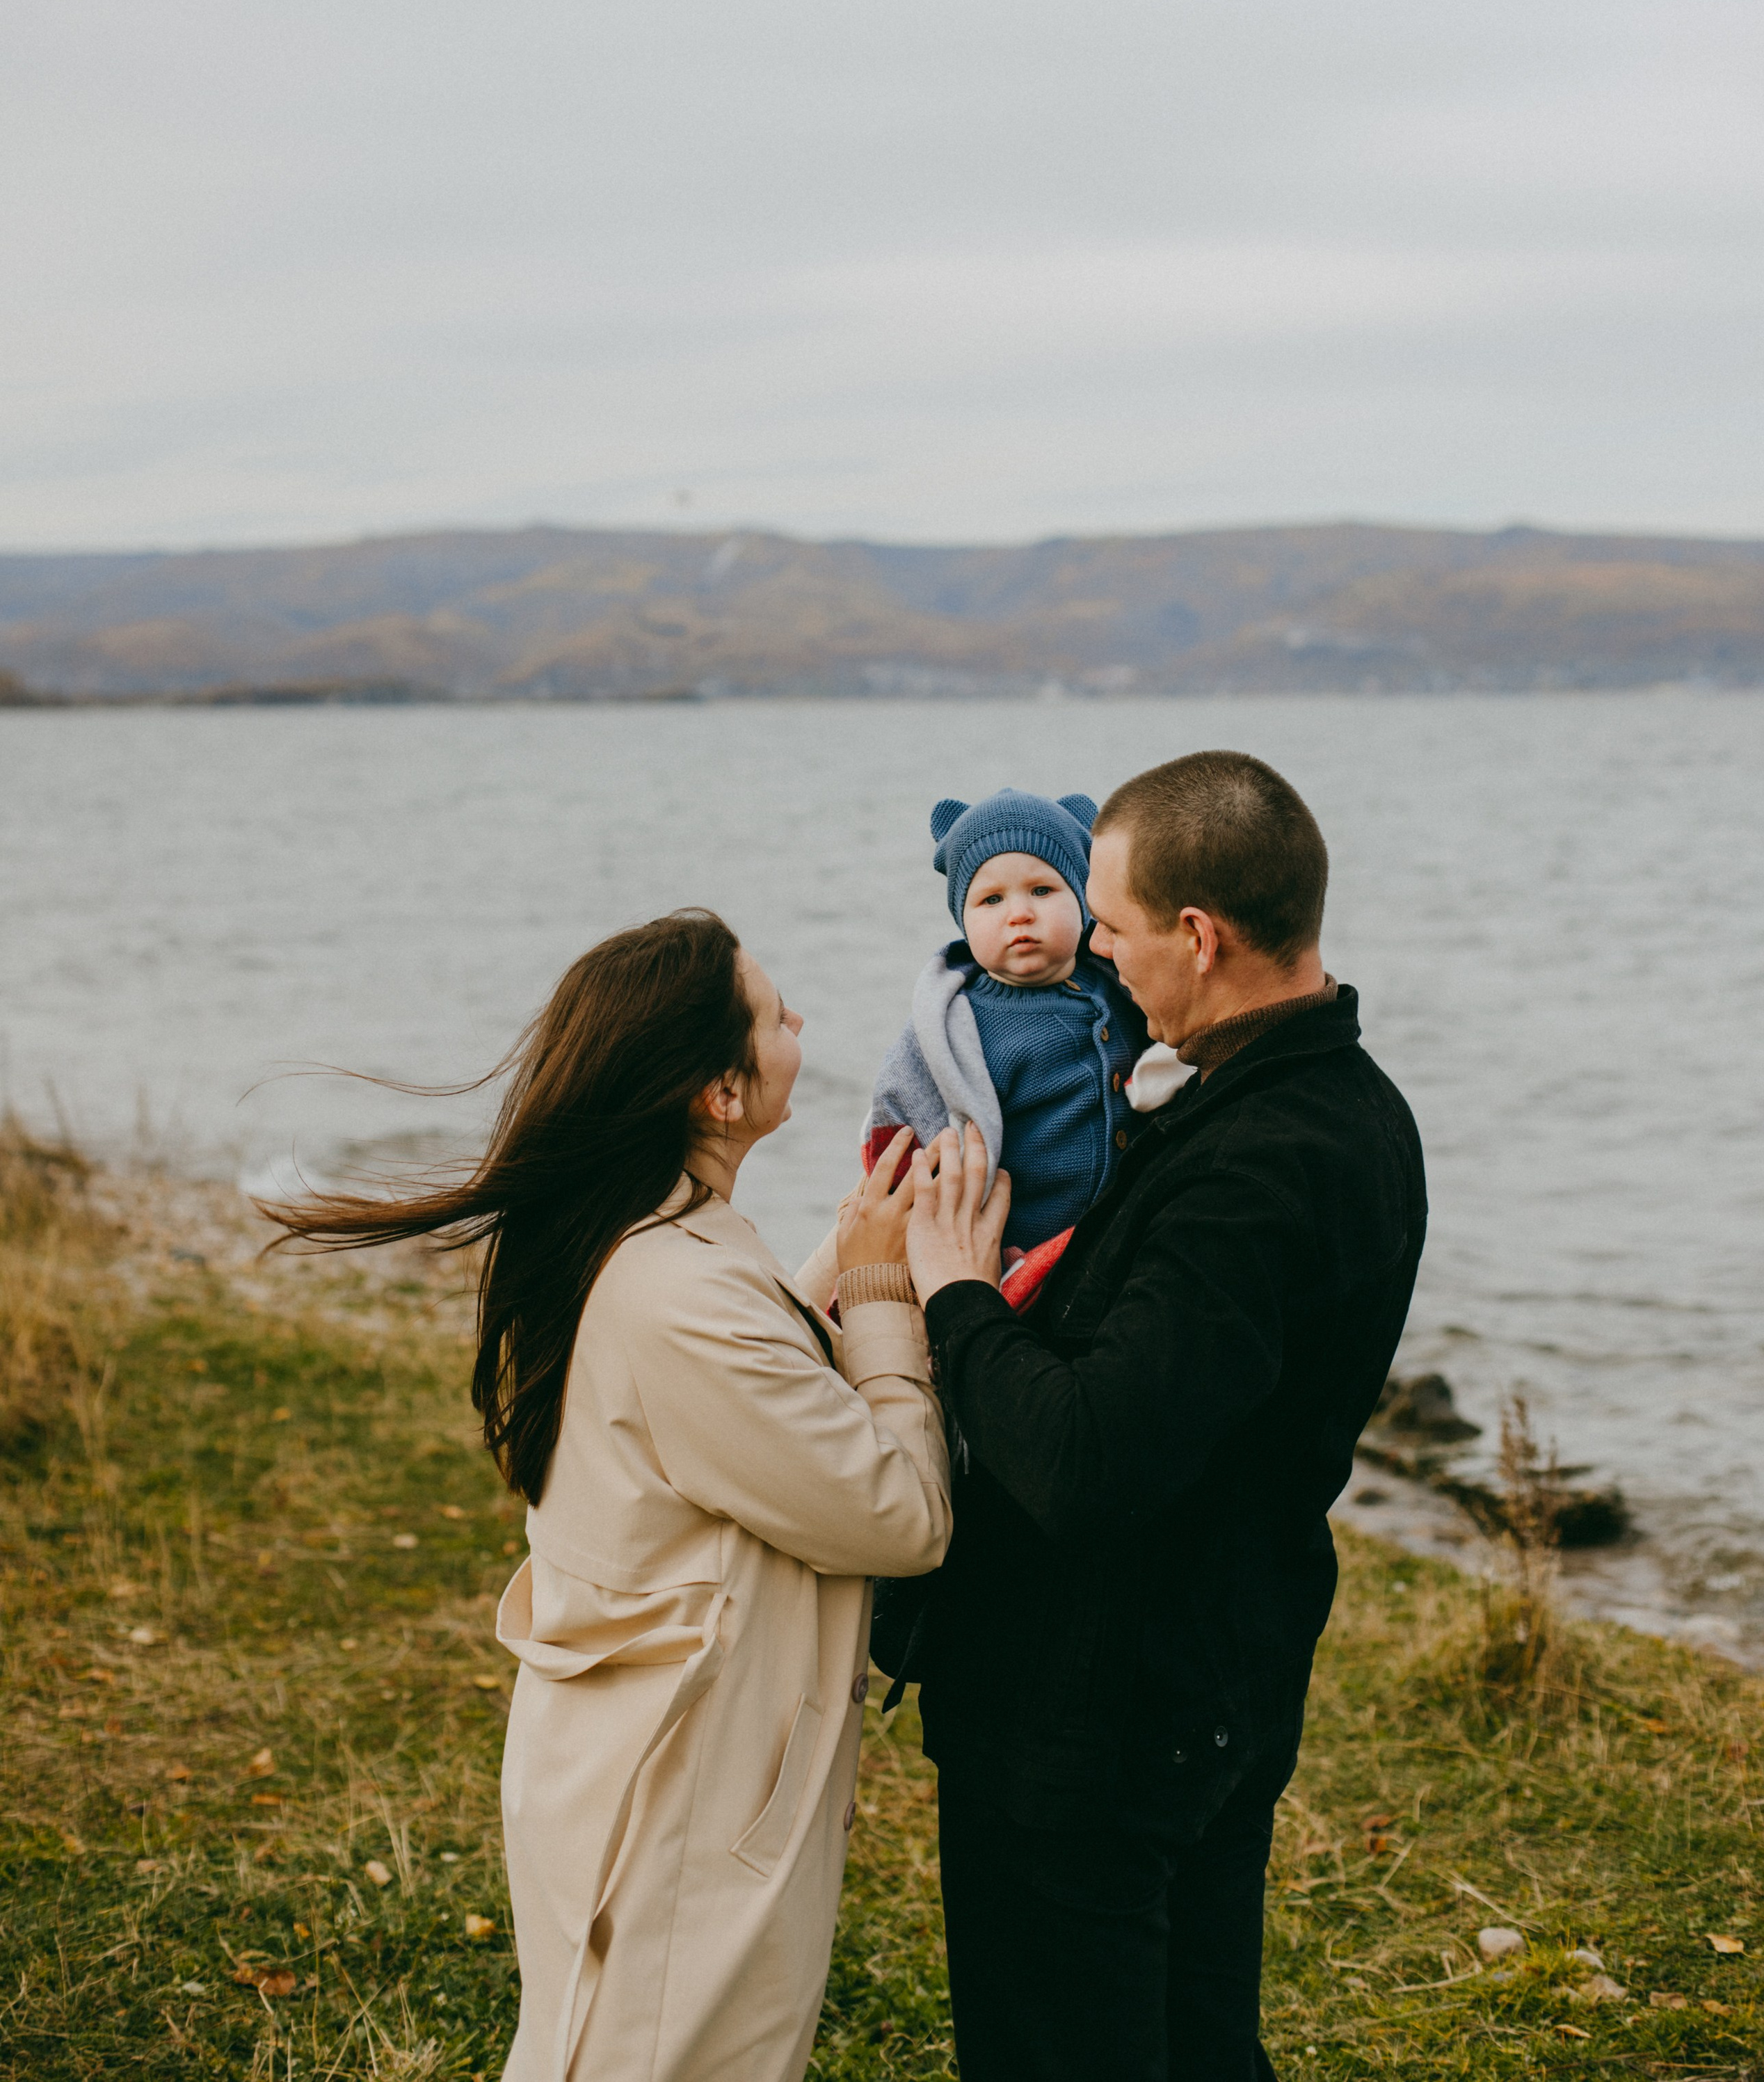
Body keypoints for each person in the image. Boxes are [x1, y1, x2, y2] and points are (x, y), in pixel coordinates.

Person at [262, 908, 949, 2082]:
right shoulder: (675, 1291)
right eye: (776, 1015)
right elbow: (901, 1515)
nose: (802, 1025)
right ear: (717, 1094)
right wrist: (885, 1298)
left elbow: (738, 1378)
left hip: (648, 1761)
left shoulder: (644, 1236)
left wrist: (835, 1258)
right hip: (680, 1799)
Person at [897, 750, 1427, 2082]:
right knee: (1195, 2036)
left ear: (1197, 937)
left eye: (1116, 933)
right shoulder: (1339, 1105)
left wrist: (958, 1297)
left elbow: (1083, 1458)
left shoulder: (1251, 1165)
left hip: (1102, 1714)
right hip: (1219, 1667)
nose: (1105, 967)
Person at [802, 788, 1152, 1322]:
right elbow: (907, 1123)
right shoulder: (961, 1026)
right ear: (962, 919)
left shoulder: (1121, 985)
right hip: (1023, 1254)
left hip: (1126, 1236)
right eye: (991, 900)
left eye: (1042, 889)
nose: (1019, 914)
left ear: (1085, 899)